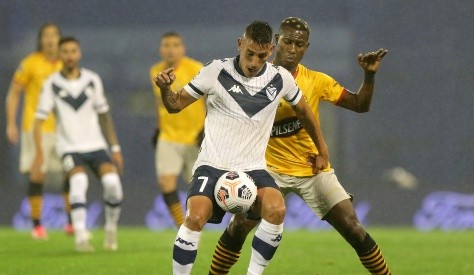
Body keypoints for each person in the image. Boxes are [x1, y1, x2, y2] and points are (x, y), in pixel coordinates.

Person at [208, 17, 391, 275]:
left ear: (307, 48)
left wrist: (369, 76)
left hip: (312, 169)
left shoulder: (316, 81)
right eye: (288, 42)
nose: (293, 49)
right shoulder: (252, 77)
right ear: (275, 43)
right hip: (267, 170)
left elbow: (360, 104)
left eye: (300, 44)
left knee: (353, 226)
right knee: (239, 226)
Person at [154, 21, 329, 275]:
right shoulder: (215, 71)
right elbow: (174, 105)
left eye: (261, 55)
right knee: (194, 218)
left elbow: (305, 112)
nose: (254, 62)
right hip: (211, 166)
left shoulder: (280, 79)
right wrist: (165, 88)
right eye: (249, 54)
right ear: (240, 44)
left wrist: (322, 150)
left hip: (253, 170)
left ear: (270, 50)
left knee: (277, 209)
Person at [32, 37, 123, 252]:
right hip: (69, 146)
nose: (70, 55)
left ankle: (110, 229)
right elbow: (38, 120)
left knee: (112, 183)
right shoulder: (51, 83)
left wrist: (115, 147)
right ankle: (81, 236)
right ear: (59, 55)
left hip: (95, 144)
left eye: (73, 51)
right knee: (79, 181)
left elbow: (105, 116)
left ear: (79, 54)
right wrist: (39, 153)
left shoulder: (92, 80)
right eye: (65, 51)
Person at [5, 22, 73, 239]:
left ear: (59, 39)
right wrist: (10, 123)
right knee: (38, 173)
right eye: (46, 35)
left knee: (70, 172)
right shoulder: (30, 63)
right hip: (36, 127)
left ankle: (72, 223)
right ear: (41, 39)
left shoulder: (66, 64)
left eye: (54, 35)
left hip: (64, 129)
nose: (50, 39)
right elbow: (14, 93)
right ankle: (36, 225)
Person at [149, 32, 205, 228]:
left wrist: (207, 128)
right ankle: (182, 227)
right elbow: (159, 103)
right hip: (169, 137)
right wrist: (158, 128)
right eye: (166, 45)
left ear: (183, 49)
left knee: (199, 188)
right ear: (160, 49)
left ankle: (195, 223)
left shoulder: (196, 69)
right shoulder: (155, 71)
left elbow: (210, 101)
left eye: (175, 45)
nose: (171, 49)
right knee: (166, 183)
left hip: (195, 138)